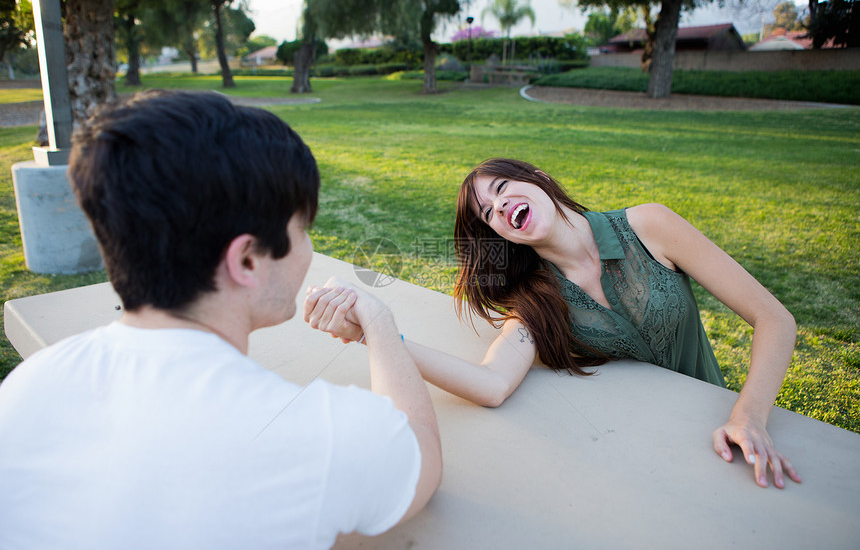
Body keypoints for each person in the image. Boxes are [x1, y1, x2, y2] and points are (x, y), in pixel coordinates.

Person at [0, 90, 441, 550]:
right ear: (247, 260)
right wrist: (378, 319)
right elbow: (421, 455)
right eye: (302, 231)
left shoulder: (26, 385)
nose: (308, 250)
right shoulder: (312, 438)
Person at [305, 157, 802, 490]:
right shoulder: (538, 302)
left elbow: (774, 319)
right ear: (500, 233)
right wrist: (377, 332)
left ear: (537, 178)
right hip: (649, 463)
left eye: (502, 189)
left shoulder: (650, 226)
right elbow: (491, 384)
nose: (499, 206)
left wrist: (749, 416)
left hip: (726, 428)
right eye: (488, 213)